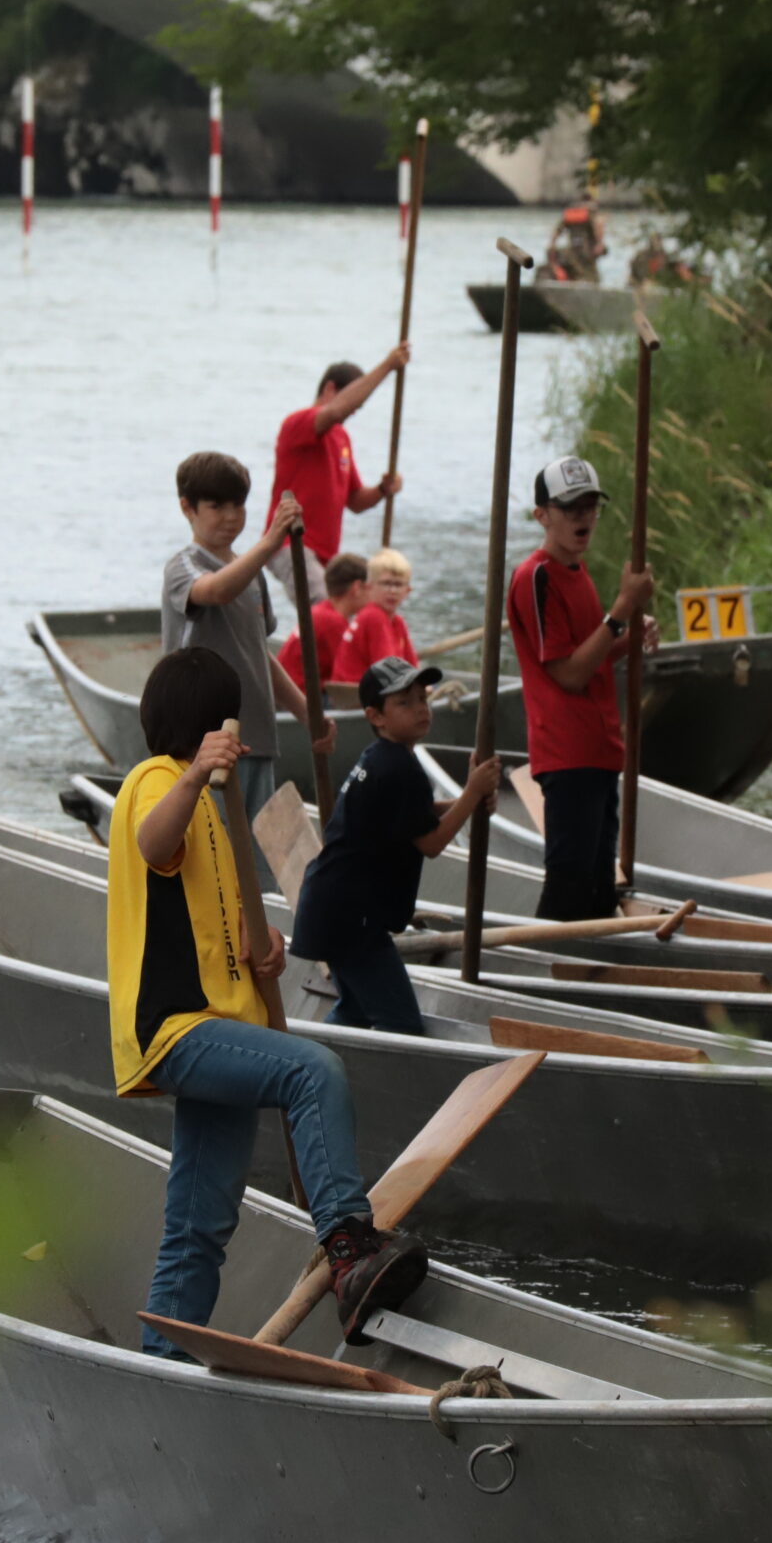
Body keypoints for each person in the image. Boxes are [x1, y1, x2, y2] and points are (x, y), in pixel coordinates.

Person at [110, 649, 429, 1357]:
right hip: (178, 1027)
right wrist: (195, 770)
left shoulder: (213, 808)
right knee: (313, 1071)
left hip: (224, 1022)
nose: (244, 735)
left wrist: (266, 946)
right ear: (208, 722)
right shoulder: (157, 781)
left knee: (200, 1225)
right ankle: (348, 1247)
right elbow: (153, 843)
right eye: (234, 719)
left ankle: (161, 1362)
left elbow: (223, 924)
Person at [289, 658, 502, 1034]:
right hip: (351, 919)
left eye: (422, 698)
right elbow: (431, 842)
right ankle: (321, 1058)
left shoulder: (381, 758)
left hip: (332, 908)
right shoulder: (400, 768)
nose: (420, 708)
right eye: (404, 702)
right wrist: (472, 793)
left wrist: (467, 800)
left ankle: (324, 1051)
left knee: (355, 1011)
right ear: (376, 717)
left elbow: (414, 815)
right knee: (400, 1021)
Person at [506, 455, 657, 920]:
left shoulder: (577, 571)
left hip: (600, 748)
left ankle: (591, 953)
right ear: (542, 515)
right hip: (567, 751)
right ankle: (540, 957)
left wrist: (628, 636)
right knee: (569, 884)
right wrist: (621, 610)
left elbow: (589, 659)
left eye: (590, 506)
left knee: (597, 888)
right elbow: (567, 674)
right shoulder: (536, 576)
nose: (583, 517)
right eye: (571, 507)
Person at [161, 452, 333, 823]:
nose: (230, 517)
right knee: (214, 844)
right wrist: (271, 542)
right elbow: (215, 591)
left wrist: (308, 714)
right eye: (216, 506)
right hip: (203, 744)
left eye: (238, 506)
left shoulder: (252, 574)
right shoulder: (184, 566)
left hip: (256, 739)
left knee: (255, 851)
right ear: (188, 508)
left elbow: (258, 653)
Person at [266, 348, 410, 585]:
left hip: (327, 555)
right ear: (330, 388)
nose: (354, 411)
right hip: (292, 543)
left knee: (355, 598)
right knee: (324, 603)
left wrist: (383, 489)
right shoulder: (298, 423)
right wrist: (388, 365)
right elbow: (336, 410)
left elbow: (355, 501)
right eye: (354, 400)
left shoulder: (341, 437)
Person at [278, 551, 368, 694]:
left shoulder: (321, 610)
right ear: (357, 588)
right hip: (301, 696)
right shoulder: (333, 622)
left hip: (288, 690)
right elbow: (346, 674)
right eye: (369, 587)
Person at [330, 546, 417, 683]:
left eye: (398, 584)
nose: (392, 591)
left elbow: (412, 664)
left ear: (407, 591)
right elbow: (389, 673)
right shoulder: (374, 617)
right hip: (354, 691)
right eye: (386, 583)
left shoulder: (397, 621)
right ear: (369, 587)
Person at [543, 205, 607, 283]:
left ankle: (575, 279)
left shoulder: (571, 215)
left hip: (574, 249)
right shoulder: (591, 215)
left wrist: (552, 244)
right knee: (589, 272)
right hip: (586, 251)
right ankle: (587, 280)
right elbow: (598, 228)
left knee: (576, 265)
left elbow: (557, 231)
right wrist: (599, 243)